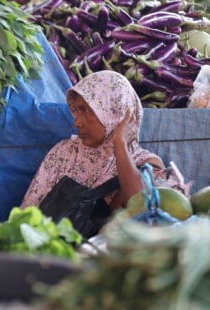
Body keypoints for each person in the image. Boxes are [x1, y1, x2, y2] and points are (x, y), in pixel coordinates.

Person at [20, 70, 164, 210]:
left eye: (88, 111)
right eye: (76, 110)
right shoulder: (63, 153)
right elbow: (29, 212)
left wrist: (120, 145)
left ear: (117, 113)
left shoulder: (145, 163)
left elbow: (143, 207)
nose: (77, 122)